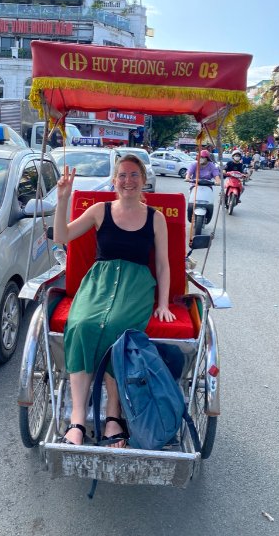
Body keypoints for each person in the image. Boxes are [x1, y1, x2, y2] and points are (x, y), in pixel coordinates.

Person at [53, 154, 176, 448]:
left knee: (119, 329)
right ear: (114, 180)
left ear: (144, 181)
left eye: (134, 175)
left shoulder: (155, 218)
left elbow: (162, 264)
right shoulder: (99, 210)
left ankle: (112, 416)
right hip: (99, 282)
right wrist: (63, 199)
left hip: (136, 286)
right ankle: (78, 419)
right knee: (82, 324)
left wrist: (163, 303)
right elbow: (61, 235)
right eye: (122, 175)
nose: (128, 181)